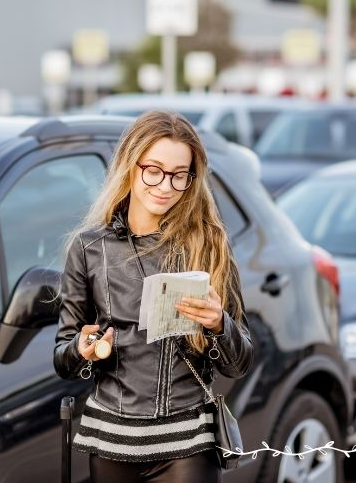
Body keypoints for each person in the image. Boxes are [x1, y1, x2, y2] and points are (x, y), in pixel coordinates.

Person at [53, 110, 254, 483]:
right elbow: (64, 359)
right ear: (130, 166)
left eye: (179, 175)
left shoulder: (209, 244)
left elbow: (239, 363)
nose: (166, 186)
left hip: (188, 441)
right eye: (154, 171)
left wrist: (218, 324)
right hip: (112, 440)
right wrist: (83, 349)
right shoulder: (89, 248)